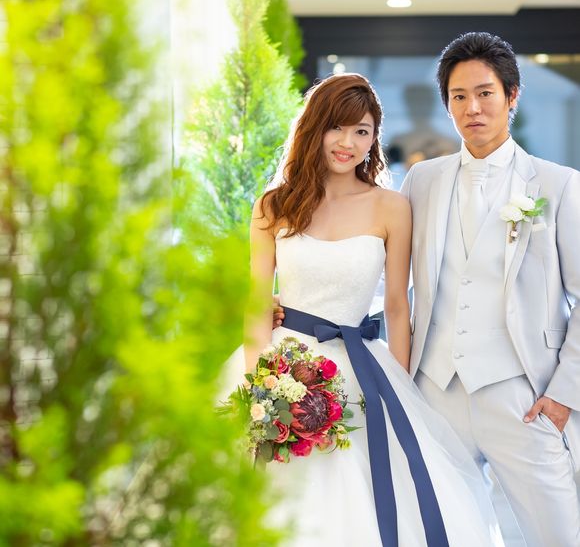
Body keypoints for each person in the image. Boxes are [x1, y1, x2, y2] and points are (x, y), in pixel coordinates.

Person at [240, 72, 503, 546]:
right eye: (336, 128)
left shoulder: (391, 207)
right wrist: (257, 390)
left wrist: (400, 389)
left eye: (362, 131)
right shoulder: (273, 206)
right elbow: (257, 303)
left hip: (363, 370)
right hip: (281, 365)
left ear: (374, 138)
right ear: (314, 129)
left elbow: (399, 307)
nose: (348, 143)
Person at [400, 32, 580, 547]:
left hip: (524, 394)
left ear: (511, 96)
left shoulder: (558, 184)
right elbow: (386, 273)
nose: (472, 108)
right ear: (447, 104)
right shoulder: (421, 181)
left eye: (485, 93)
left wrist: (563, 395)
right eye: (459, 96)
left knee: (558, 535)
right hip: (434, 390)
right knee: (446, 532)